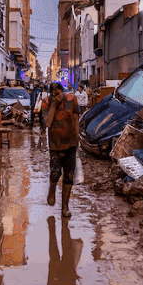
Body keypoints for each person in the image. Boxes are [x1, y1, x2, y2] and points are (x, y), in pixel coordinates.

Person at [40, 82, 80, 218]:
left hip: (71, 142)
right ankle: (52, 188)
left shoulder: (71, 100)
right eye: (53, 94)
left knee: (69, 175)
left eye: (58, 93)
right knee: (56, 172)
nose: (56, 96)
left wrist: (77, 136)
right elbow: (47, 122)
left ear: (63, 92)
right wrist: (53, 105)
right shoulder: (46, 102)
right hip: (55, 144)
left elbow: (76, 118)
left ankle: (65, 207)